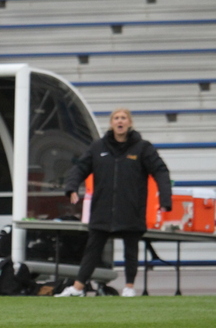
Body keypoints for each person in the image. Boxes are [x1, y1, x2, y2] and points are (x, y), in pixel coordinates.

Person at [56, 108, 172, 298]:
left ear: (129, 123)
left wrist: (165, 199)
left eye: (123, 118)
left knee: (131, 250)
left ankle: (129, 287)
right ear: (111, 123)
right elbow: (80, 168)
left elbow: (160, 171)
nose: (120, 121)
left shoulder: (142, 148)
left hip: (131, 208)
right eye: (116, 118)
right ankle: (77, 288)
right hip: (102, 209)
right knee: (92, 250)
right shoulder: (98, 147)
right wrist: (71, 188)